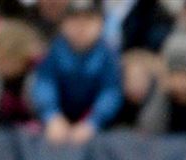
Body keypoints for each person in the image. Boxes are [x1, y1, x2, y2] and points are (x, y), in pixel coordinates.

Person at [31, 0, 123, 144]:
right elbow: (44, 85)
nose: (81, 27)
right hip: (59, 121)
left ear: (101, 24)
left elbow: (110, 92)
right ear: (62, 24)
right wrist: (51, 116)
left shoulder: (107, 55)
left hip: (97, 125)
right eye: (74, 20)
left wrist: (93, 122)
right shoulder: (55, 50)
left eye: (89, 20)